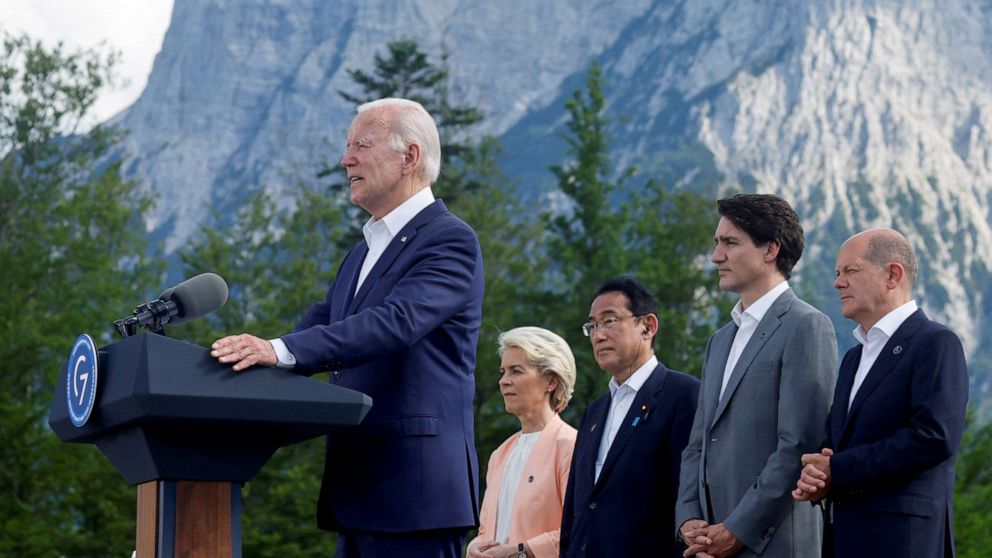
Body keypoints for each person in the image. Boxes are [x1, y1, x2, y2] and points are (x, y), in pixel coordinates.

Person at [210, 98, 484, 558]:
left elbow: (395, 323)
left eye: (361, 144)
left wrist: (275, 350)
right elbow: (321, 325)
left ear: (410, 157)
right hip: (359, 492)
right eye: (347, 146)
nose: (346, 159)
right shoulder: (360, 253)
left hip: (415, 495)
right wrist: (231, 373)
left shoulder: (449, 239)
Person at [676, 194, 836, 558]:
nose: (716, 256)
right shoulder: (719, 341)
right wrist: (688, 519)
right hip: (707, 544)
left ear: (771, 250)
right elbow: (697, 444)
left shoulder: (807, 326)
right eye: (717, 243)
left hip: (773, 543)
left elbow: (798, 445)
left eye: (730, 242)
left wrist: (737, 530)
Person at [793, 229, 968, 558]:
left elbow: (934, 437)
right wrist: (816, 473)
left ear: (893, 274)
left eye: (850, 271)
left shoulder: (935, 343)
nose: (837, 283)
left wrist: (839, 469)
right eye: (837, 273)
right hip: (844, 539)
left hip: (903, 540)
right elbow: (836, 441)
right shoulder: (853, 358)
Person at [560, 276, 700, 558]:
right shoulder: (594, 413)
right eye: (593, 326)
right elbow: (576, 510)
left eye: (610, 321)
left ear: (648, 327)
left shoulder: (683, 395)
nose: (598, 335)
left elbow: (689, 498)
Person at [467, 327, 578, 558]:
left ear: (551, 381)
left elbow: (580, 529)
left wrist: (522, 552)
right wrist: (474, 546)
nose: (503, 381)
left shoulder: (571, 446)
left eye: (516, 371)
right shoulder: (501, 453)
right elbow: (487, 530)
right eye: (503, 372)